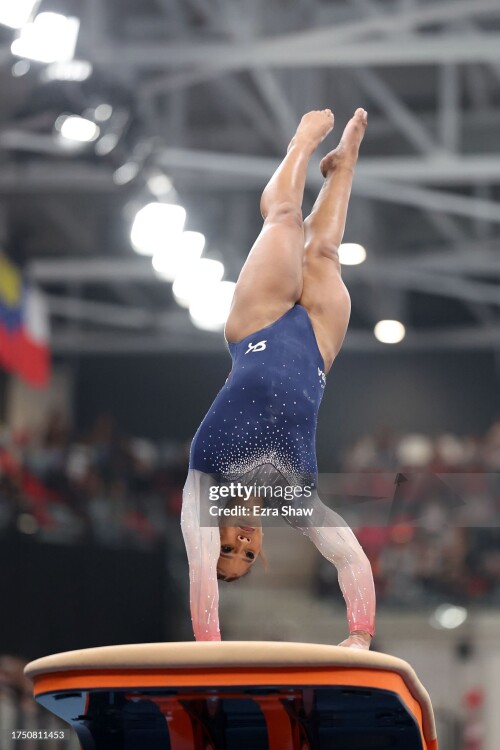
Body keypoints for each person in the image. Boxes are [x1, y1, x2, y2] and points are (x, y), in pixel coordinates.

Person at [181, 109, 375, 649]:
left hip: (257, 324)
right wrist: (359, 636)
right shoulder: (293, 499)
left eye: (226, 550)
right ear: (261, 543)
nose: (238, 545)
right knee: (325, 251)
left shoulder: (204, 486)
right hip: (316, 344)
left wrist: (210, 652)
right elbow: (348, 554)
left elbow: (200, 580)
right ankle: (346, 166)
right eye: (247, 555)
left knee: (287, 219)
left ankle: (301, 145)